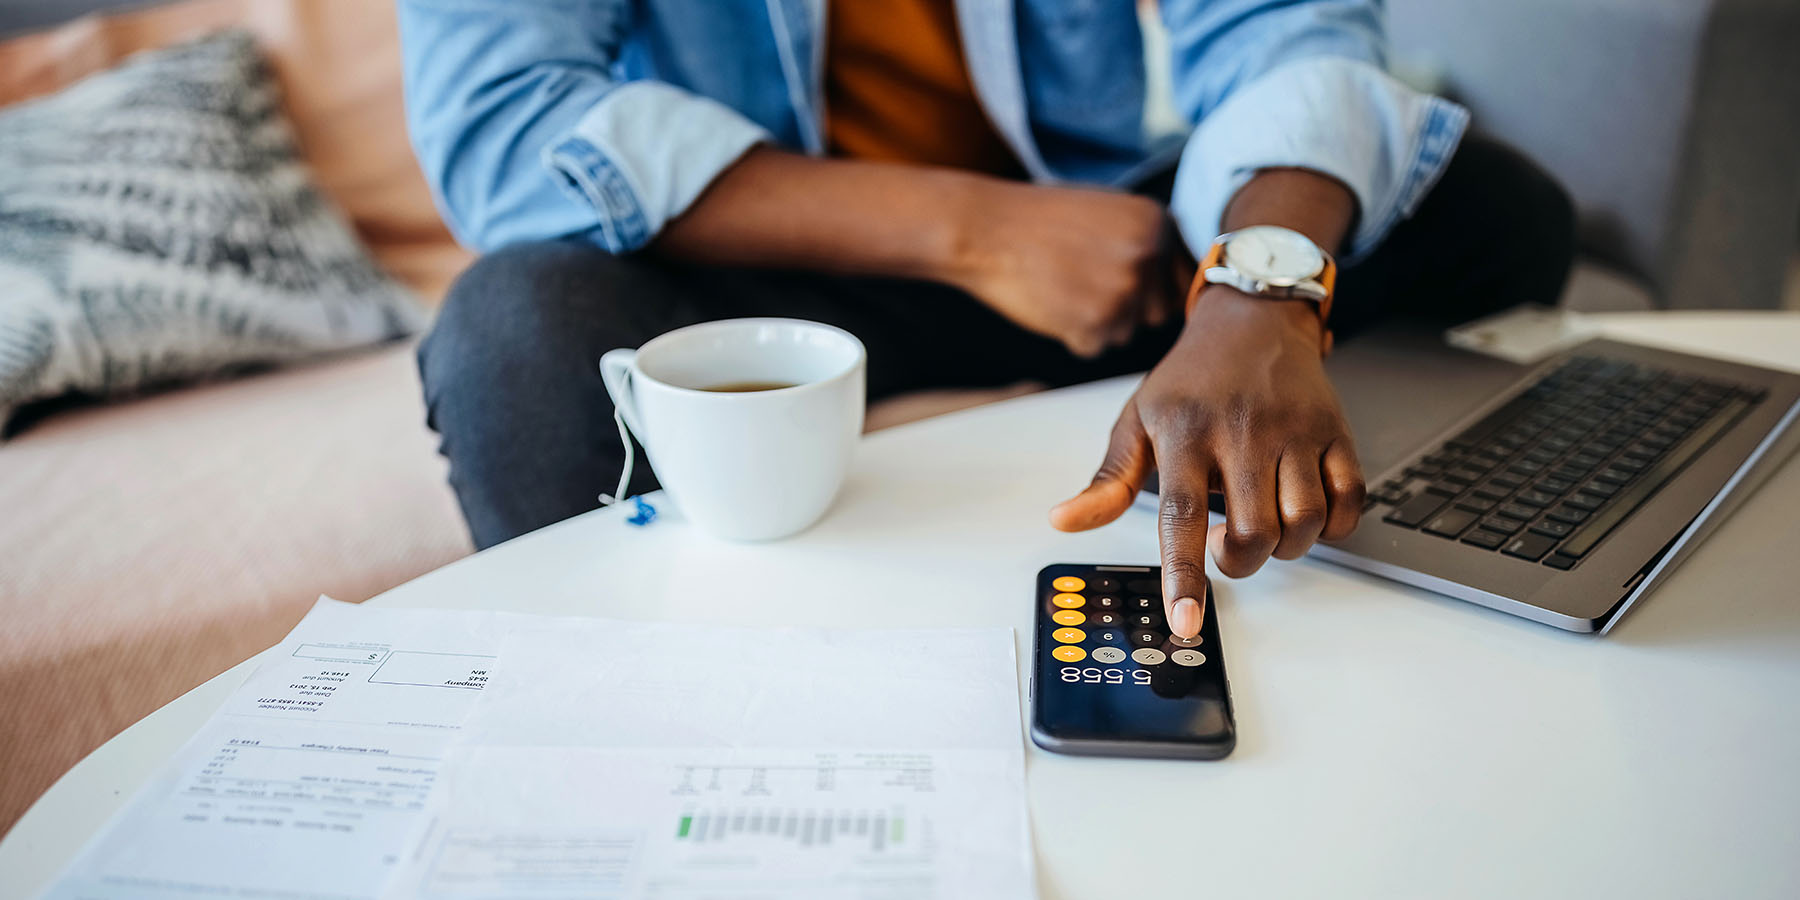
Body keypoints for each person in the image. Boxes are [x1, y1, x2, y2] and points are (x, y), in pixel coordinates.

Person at [398, 0, 1574, 639]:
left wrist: (1257, 294)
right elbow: (503, 124)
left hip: (1108, 250)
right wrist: (981, 230)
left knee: (1493, 207)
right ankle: (616, 711)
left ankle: (1415, 578)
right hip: (778, 254)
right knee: (516, 330)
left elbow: (1290, 29)